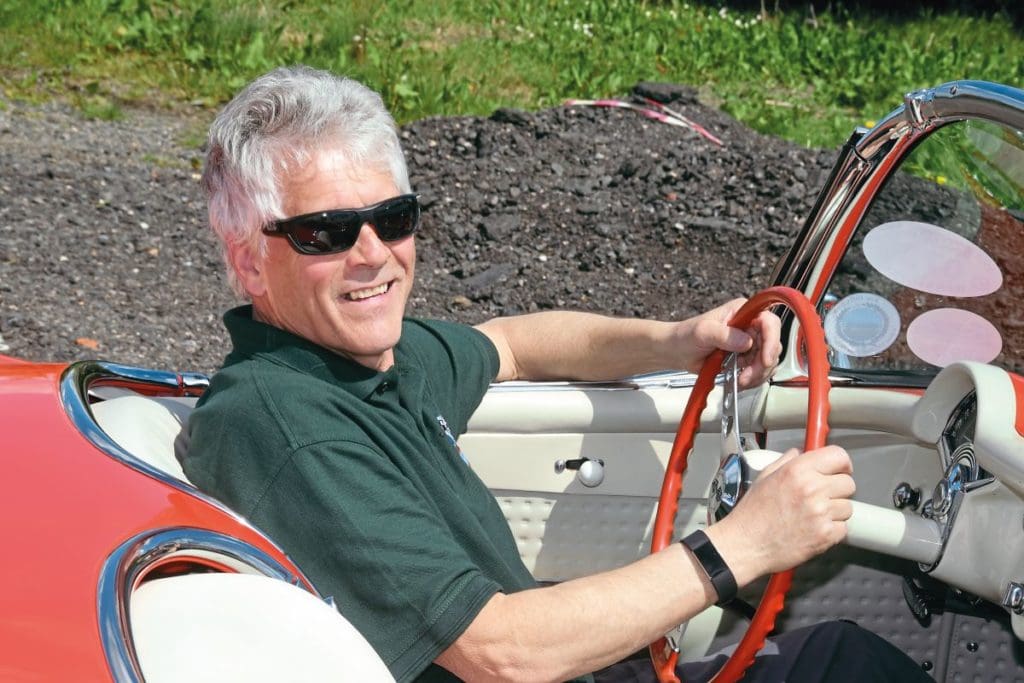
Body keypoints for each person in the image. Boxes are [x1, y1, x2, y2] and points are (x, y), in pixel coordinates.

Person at [182, 65, 930, 683]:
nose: (374, 253)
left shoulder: (368, 359)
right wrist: (743, 544)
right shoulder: (285, 427)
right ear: (249, 258)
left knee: (841, 657)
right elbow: (498, 648)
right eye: (328, 231)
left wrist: (679, 339)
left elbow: (513, 344)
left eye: (394, 217)